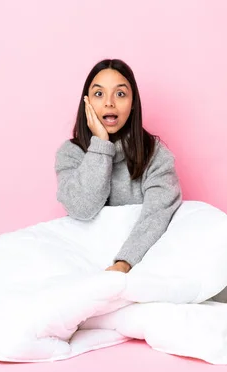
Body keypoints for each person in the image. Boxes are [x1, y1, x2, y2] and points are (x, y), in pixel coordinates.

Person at [54, 59, 182, 273]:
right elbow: (81, 209)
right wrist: (101, 145)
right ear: (86, 103)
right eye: (99, 94)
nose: (109, 103)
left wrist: (124, 263)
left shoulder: (155, 154)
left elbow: (158, 215)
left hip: (140, 263)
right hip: (85, 262)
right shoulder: (70, 154)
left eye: (120, 94)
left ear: (133, 103)